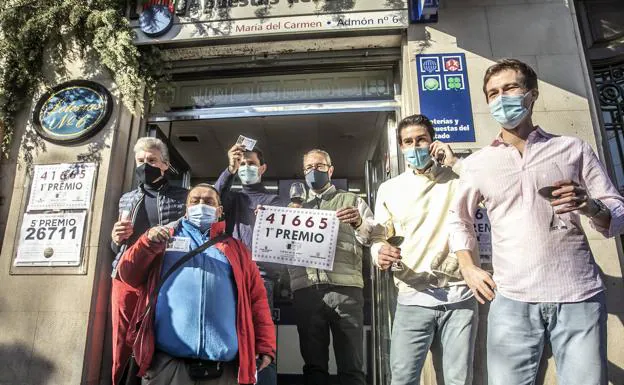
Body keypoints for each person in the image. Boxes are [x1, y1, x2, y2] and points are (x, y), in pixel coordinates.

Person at [447, 58, 624, 385]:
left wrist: (590, 205)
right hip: (512, 299)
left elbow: (616, 210)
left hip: (579, 295)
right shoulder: (478, 164)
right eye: (492, 93)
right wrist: (468, 267)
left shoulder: (572, 148)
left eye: (510, 88)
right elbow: (458, 220)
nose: (501, 98)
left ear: (532, 94)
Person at [116, 184, 276, 385]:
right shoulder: (162, 238)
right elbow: (128, 274)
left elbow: (257, 300)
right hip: (168, 367)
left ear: (219, 211)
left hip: (224, 371)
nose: (201, 205)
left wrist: (265, 345)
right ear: (186, 208)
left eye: (209, 202)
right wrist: (146, 243)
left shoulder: (237, 249)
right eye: (195, 201)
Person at [370, 114, 477, 385]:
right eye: (408, 142)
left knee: (458, 380)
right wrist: (379, 253)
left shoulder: (457, 178)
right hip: (412, 296)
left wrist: (455, 162)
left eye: (421, 139)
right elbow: (380, 236)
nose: (415, 146)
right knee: (403, 378)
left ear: (433, 142)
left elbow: (488, 193)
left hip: (459, 297)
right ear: (401, 147)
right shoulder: (390, 188)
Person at [289, 149, 374, 385]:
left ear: (330, 169)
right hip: (306, 291)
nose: (313, 172)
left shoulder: (352, 201)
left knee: (352, 366)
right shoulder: (292, 209)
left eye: (319, 166)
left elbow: (373, 237)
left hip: (345, 290)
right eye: (308, 168)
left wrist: (358, 222)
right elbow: (280, 250)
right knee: (314, 367)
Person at [110, 137, 188, 385]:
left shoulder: (183, 197)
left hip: (166, 275)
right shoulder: (127, 198)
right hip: (128, 277)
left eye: (152, 160)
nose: (146, 165)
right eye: (141, 160)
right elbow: (116, 246)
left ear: (165, 164)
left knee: (159, 333)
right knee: (124, 339)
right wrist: (115, 238)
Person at [214, 144, 283, 385]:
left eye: (251, 163)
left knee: (261, 342)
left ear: (262, 168)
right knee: (229, 336)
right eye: (242, 164)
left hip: (261, 279)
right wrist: (229, 169)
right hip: (229, 276)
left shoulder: (275, 200)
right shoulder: (232, 198)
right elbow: (214, 197)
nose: (247, 167)